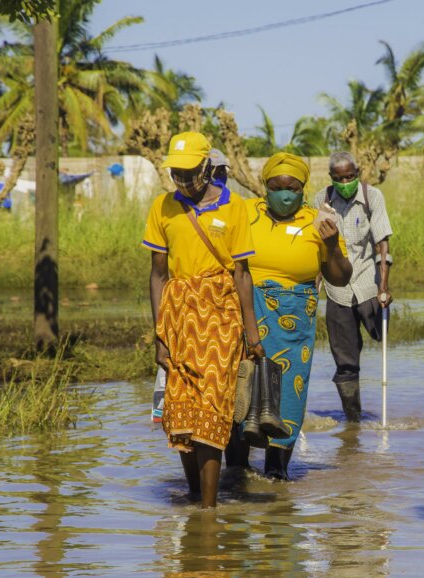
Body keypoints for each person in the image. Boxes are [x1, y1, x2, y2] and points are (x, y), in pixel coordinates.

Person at [143, 131, 264, 508]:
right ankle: (195, 497)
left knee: (213, 409)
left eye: (189, 171)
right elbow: (158, 275)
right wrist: (160, 336)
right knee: (180, 410)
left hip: (221, 318)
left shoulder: (235, 207)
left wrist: (251, 330)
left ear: (207, 166)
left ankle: (208, 512)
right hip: (178, 319)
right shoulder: (162, 208)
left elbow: (242, 275)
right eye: (175, 173)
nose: (181, 179)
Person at [224, 152, 352, 480]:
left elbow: (341, 277)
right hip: (245, 315)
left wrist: (332, 244)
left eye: (292, 187)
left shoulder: (318, 221)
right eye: (276, 186)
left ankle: (276, 472)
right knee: (240, 391)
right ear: (264, 187)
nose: (284, 193)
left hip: (293, 321)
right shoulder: (245, 213)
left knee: (287, 395)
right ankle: (237, 472)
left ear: (303, 188)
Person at [313, 151, 394, 421]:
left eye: (349, 176)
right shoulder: (321, 201)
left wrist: (384, 286)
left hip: (368, 282)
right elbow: (317, 250)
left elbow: (383, 244)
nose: (345, 181)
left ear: (357, 173)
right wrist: (313, 291)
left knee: (381, 335)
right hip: (338, 290)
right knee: (346, 362)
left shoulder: (372, 197)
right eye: (339, 178)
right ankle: (353, 420)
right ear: (331, 178)